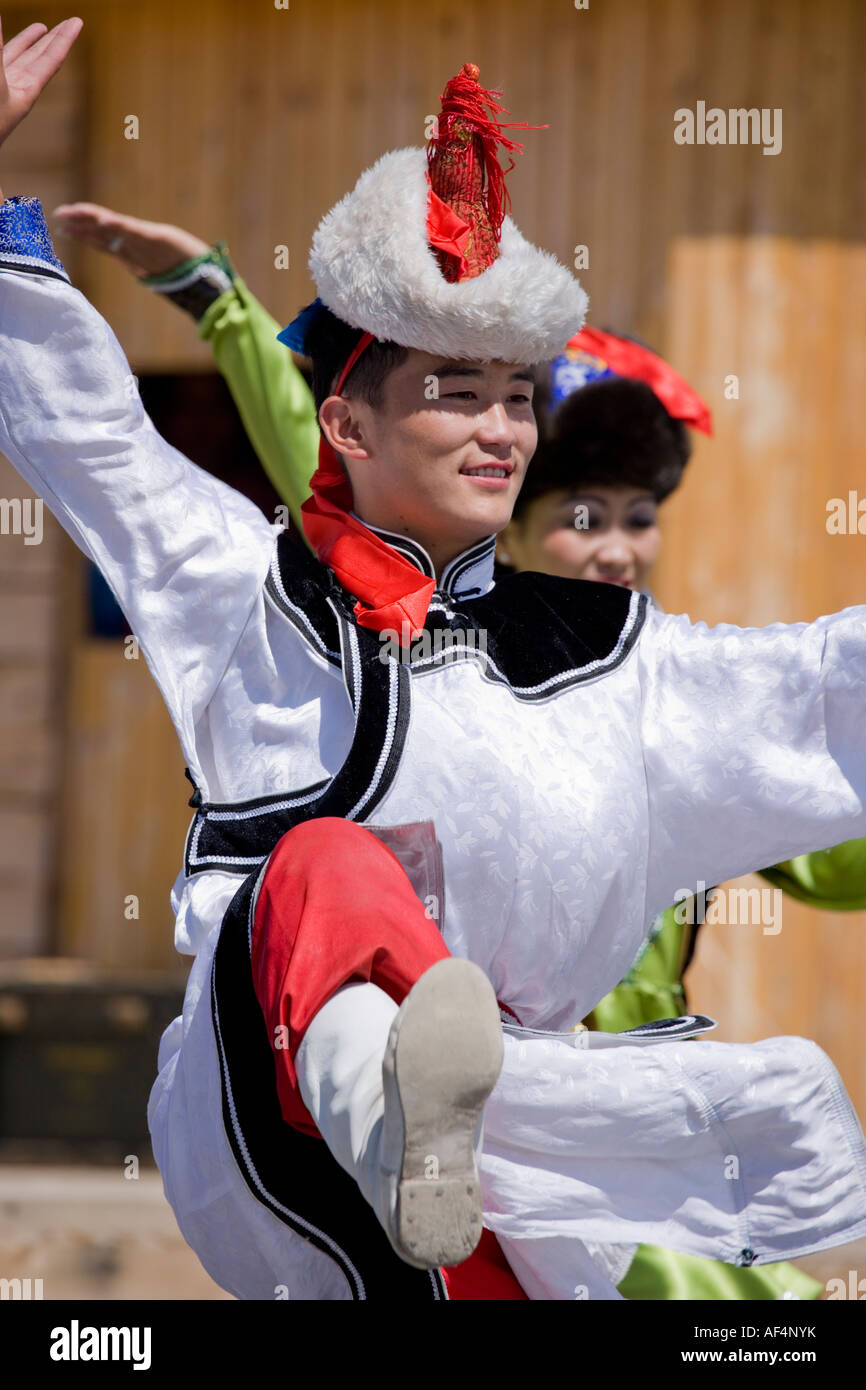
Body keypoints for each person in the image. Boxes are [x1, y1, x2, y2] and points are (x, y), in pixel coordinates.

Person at [3, 26, 866, 1302]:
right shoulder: (242, 591)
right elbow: (86, 430)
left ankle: (439, 1128)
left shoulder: (618, 656)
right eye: (455, 391)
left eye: (518, 397)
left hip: (521, 1160)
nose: (500, 429)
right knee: (317, 866)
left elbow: (819, 687)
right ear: (344, 424)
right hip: (279, 1118)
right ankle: (397, 1097)